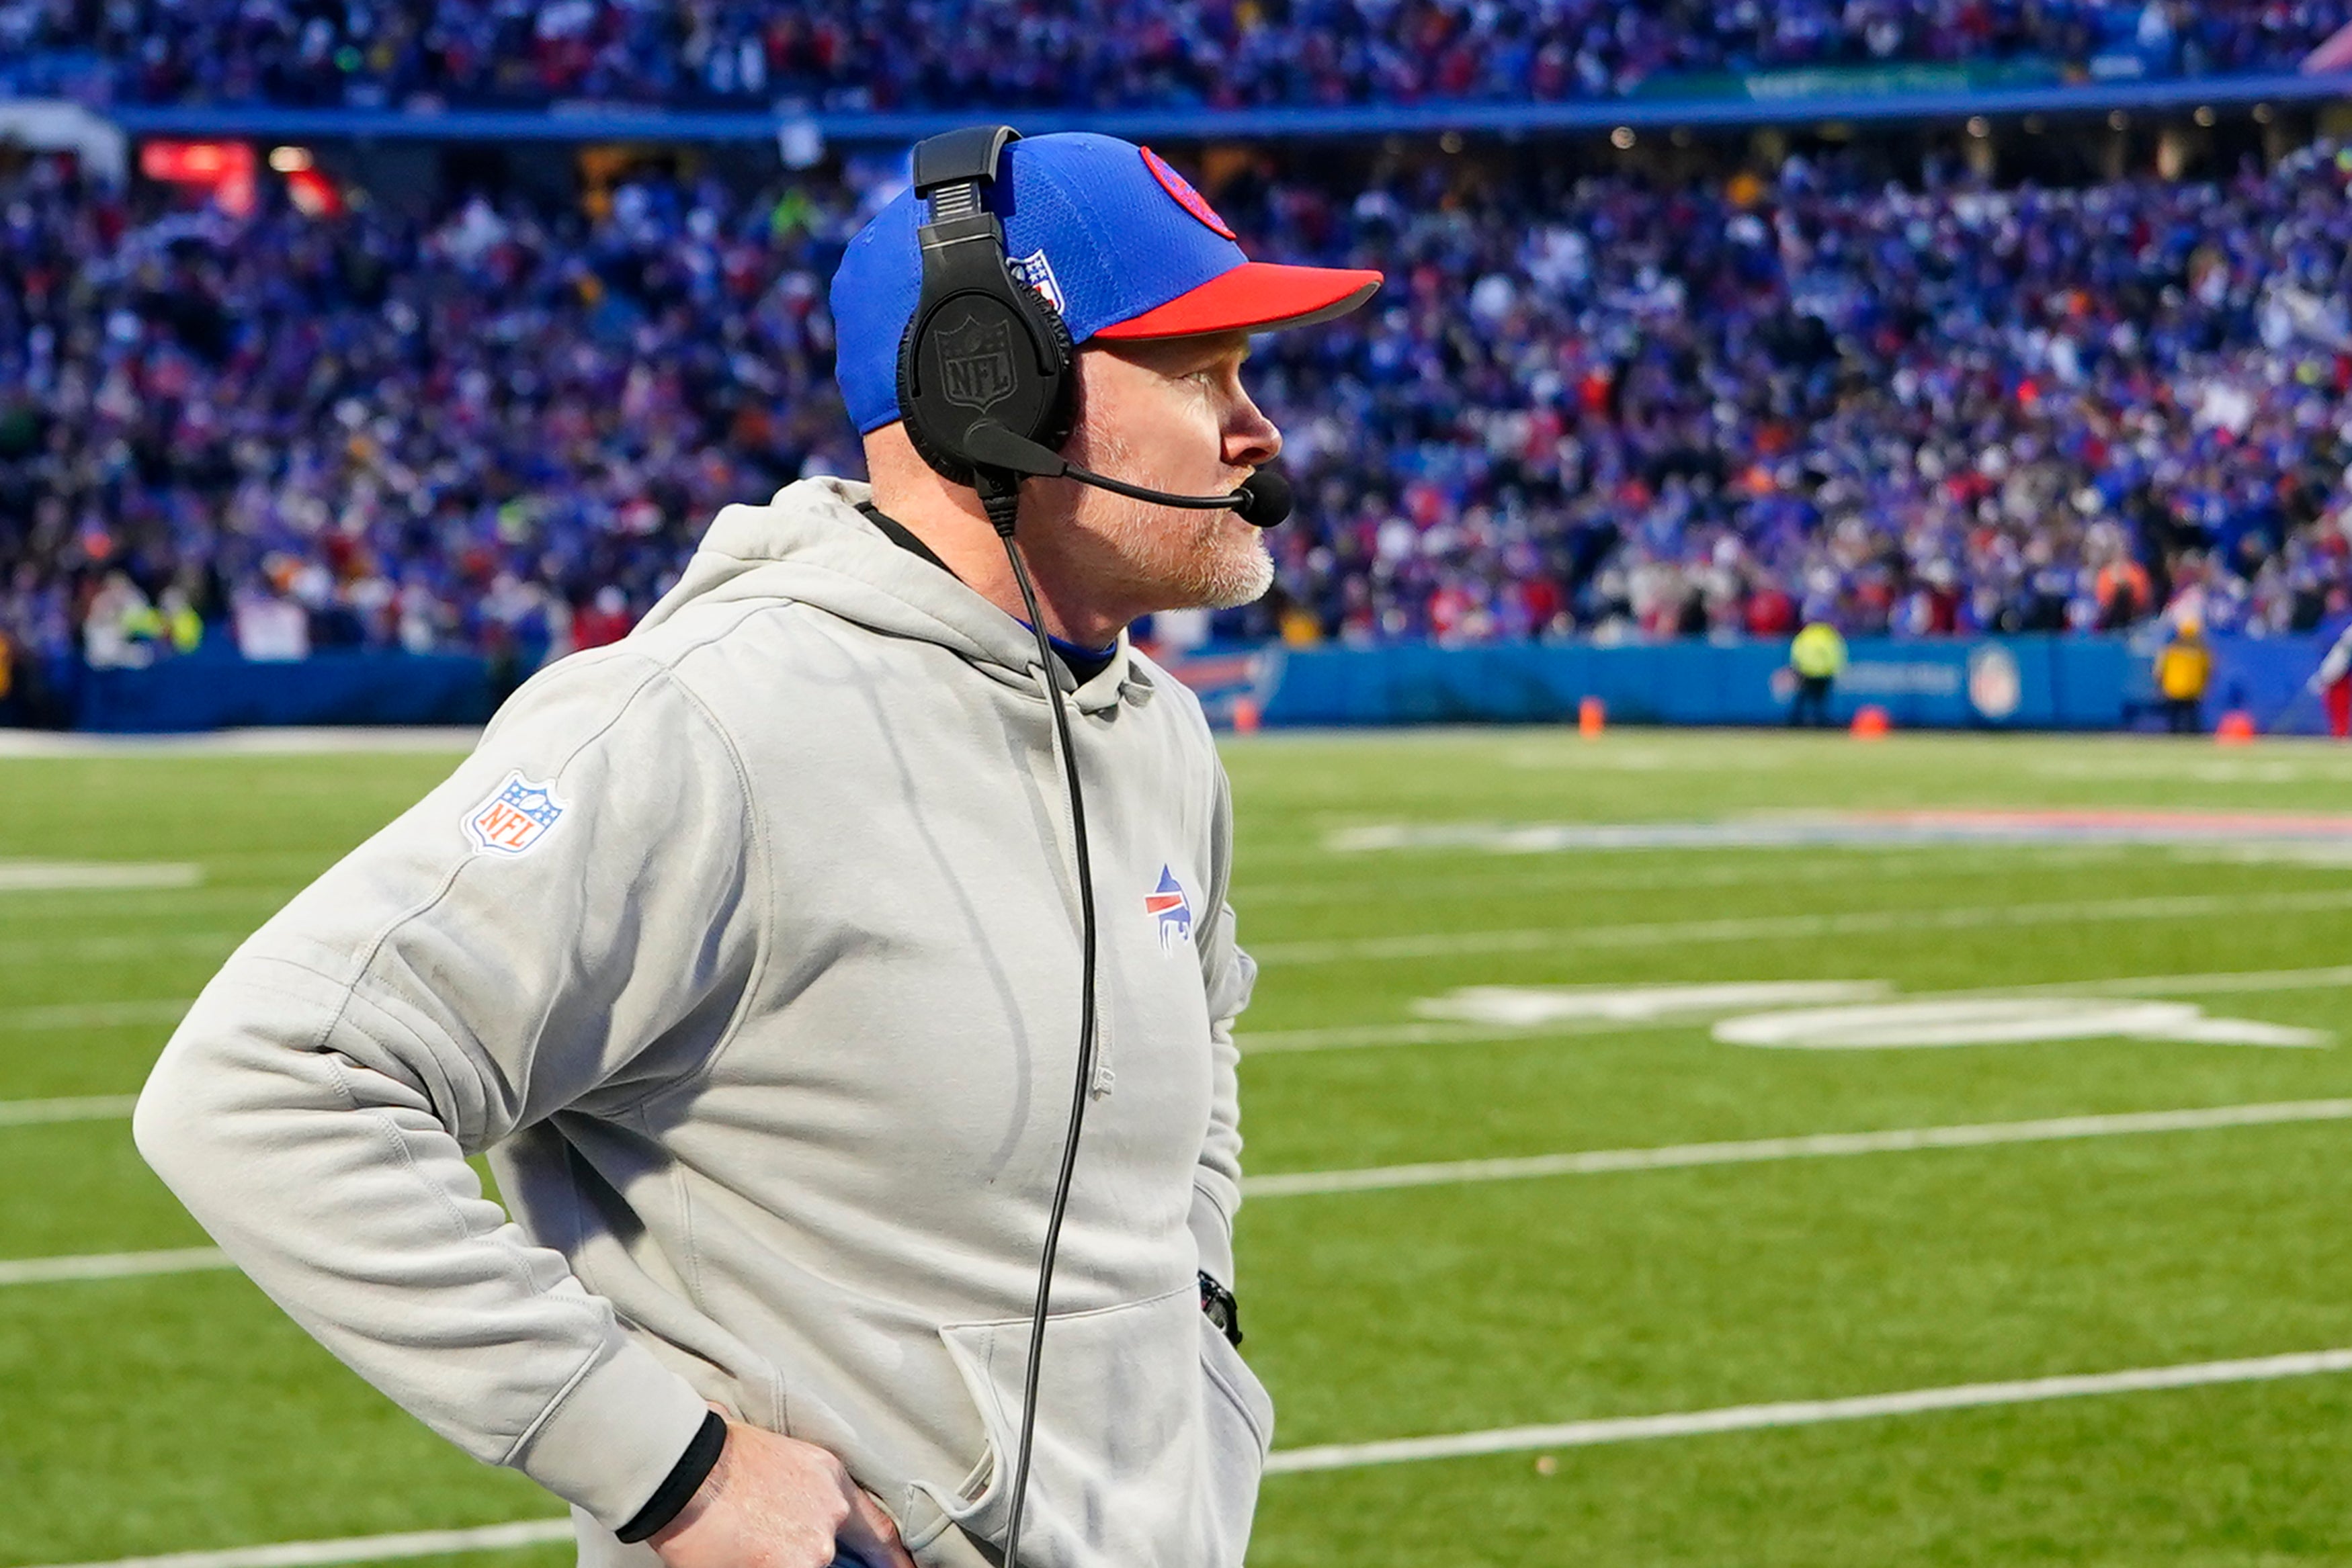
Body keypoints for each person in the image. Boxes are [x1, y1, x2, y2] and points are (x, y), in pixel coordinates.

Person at [132, 130, 1377, 1568]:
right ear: (991, 385)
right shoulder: (708, 719)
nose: (1258, 429)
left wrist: (1193, 1318)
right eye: (1200, 369)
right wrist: (678, 1475)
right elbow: (261, 1083)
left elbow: (1200, 1028)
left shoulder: (1156, 726)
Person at [2155, 615, 2214, 734]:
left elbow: (2159, 671)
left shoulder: (2170, 650)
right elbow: (2208, 671)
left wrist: (2160, 686)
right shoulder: (2201, 651)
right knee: (2190, 720)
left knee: (2176, 720)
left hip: (2174, 689)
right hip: (2190, 690)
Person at [1787, 618, 1846, 727]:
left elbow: (1797, 651)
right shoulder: (1830, 636)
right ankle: (1820, 723)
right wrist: (1836, 669)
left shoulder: (1806, 635)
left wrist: (1796, 667)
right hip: (1824, 673)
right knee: (1820, 701)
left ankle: (1795, 723)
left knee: (1803, 699)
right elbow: (1838, 653)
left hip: (1807, 672)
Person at [2308, 620, 2352, 739]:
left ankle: (2340, 733)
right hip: (2339, 673)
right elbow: (2340, 655)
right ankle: (2339, 733)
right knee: (2336, 705)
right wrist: (2324, 676)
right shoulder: (2331, 623)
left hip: (2344, 674)